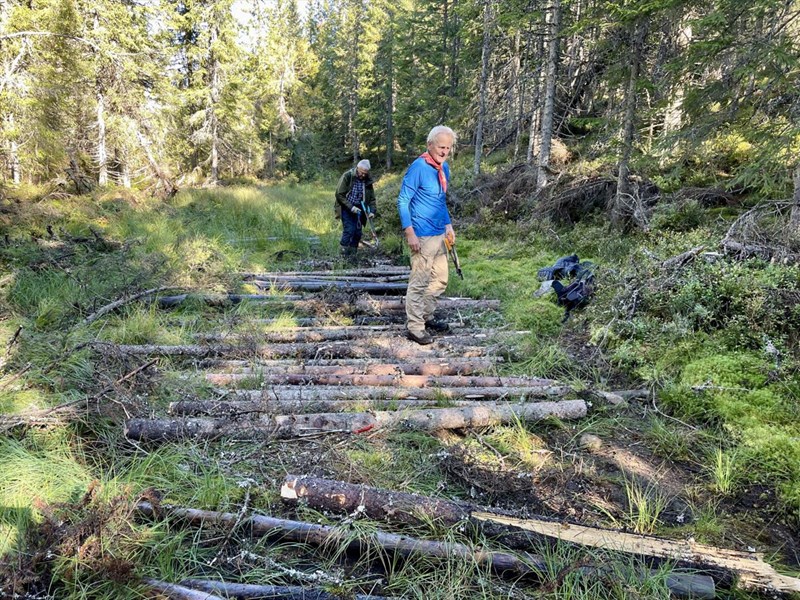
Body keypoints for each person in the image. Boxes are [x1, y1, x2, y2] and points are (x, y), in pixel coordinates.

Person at [397, 126, 456, 345]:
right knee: (419, 282)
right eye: (441, 147)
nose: (444, 152)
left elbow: (440, 201)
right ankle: (415, 327)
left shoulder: (443, 168)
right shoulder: (418, 167)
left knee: (440, 279)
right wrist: (409, 231)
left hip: (439, 234)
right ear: (430, 145)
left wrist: (448, 225)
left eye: (448, 148)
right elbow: (403, 200)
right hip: (421, 234)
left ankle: (425, 316)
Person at [335, 159, 377, 259]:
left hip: (360, 208)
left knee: (357, 233)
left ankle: (352, 256)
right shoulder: (347, 176)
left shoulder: (367, 180)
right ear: (357, 168)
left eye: (365, 174)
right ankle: (342, 256)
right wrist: (351, 207)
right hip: (346, 206)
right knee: (349, 230)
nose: (363, 175)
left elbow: (372, 198)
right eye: (361, 173)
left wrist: (372, 211)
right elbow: (339, 194)